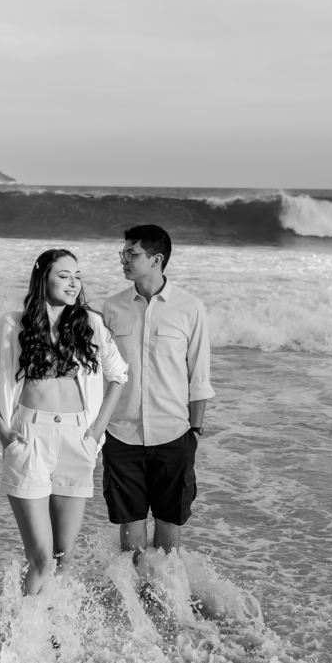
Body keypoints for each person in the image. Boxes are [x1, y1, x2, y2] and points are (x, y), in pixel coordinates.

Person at [0, 249, 128, 596]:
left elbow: (118, 375)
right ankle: (25, 638)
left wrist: (95, 433)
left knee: (64, 556)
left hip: (78, 439)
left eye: (78, 275)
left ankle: (56, 636)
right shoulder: (13, 324)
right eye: (64, 275)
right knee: (42, 558)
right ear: (42, 277)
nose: (74, 282)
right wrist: (4, 434)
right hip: (30, 438)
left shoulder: (90, 323)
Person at [101, 225, 213, 555]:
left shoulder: (190, 308)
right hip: (121, 436)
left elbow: (199, 377)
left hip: (174, 436)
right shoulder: (111, 308)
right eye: (123, 253)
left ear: (156, 259)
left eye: (131, 254)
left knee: (168, 540)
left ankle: (162, 603)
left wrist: (194, 432)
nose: (123, 259)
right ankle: (132, 602)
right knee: (131, 540)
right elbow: (98, 373)